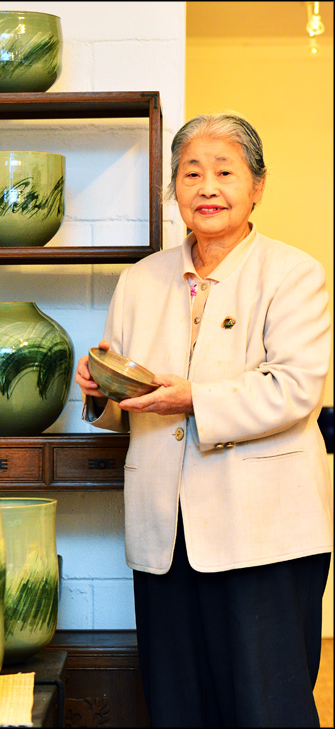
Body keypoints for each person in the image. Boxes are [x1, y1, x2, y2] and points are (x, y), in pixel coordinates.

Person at [75, 112, 332, 728]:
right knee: (177, 699)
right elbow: (127, 397)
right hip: (166, 528)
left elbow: (294, 387)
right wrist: (98, 393)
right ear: (174, 190)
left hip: (264, 527)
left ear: (258, 187)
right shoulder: (141, 279)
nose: (207, 187)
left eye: (225, 172)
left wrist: (192, 397)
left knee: (268, 700)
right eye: (191, 173)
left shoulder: (294, 274)